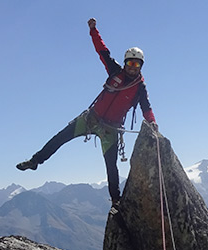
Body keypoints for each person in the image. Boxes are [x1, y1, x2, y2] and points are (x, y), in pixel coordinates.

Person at [16, 18, 156, 205]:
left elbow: (146, 107)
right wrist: (93, 30)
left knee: (111, 166)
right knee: (60, 138)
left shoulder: (140, 88)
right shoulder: (115, 71)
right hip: (91, 118)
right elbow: (102, 51)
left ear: (141, 66)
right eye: (130, 63)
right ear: (125, 63)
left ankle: (116, 200)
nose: (133, 68)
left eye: (136, 65)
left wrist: (153, 123)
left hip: (110, 129)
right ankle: (35, 161)